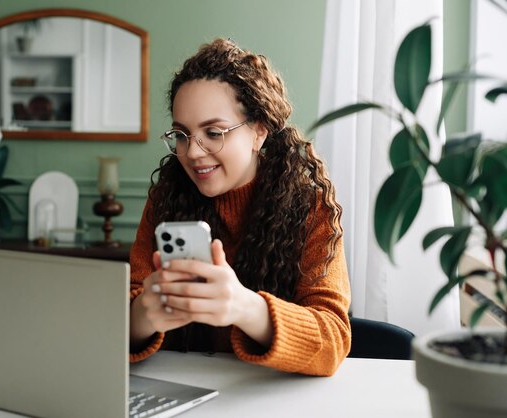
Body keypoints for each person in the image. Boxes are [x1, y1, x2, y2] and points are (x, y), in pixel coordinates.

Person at [129, 38, 350, 376]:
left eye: (214, 132)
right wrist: (142, 314)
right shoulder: (166, 200)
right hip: (180, 394)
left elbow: (332, 339)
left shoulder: (310, 207)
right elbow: (117, 325)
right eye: (182, 134)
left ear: (259, 132)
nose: (192, 152)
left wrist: (245, 307)